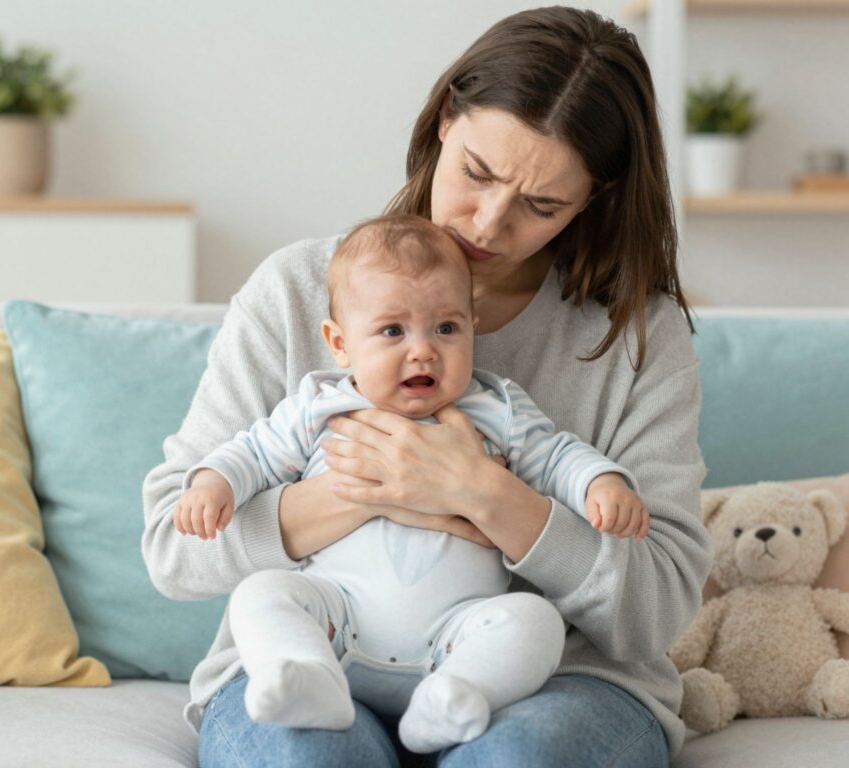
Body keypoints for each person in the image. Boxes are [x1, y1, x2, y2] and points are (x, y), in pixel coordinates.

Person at [143, 7, 712, 767]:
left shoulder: (636, 333)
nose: (488, 223)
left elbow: (658, 607)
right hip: (326, 648)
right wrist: (380, 488)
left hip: (558, 680)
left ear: (594, 197)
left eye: (541, 205)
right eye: (477, 173)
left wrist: (488, 496)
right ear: (446, 118)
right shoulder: (297, 291)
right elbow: (173, 547)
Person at [172, 214, 649, 754]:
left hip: (455, 635)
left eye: (446, 329)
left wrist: (601, 483)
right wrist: (213, 484)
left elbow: (557, 455)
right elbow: (253, 453)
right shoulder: (319, 406)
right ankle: (307, 676)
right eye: (393, 331)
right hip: (335, 622)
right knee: (261, 595)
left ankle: (455, 696)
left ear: (472, 327)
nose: (423, 350)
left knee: (536, 621)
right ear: (340, 344)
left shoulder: (497, 408)